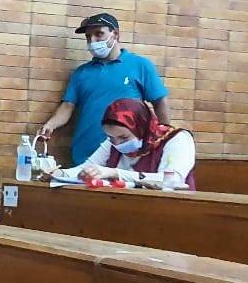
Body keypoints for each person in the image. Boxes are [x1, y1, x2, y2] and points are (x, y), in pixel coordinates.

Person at [38, 13, 172, 164]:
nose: (92, 41)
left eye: (99, 34)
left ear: (115, 34)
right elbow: (67, 106)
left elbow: (160, 102)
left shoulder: (140, 65)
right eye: (88, 37)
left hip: (125, 155)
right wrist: (50, 125)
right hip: (85, 154)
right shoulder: (81, 73)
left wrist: (165, 140)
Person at [46, 99, 196, 190]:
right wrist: (59, 174)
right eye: (111, 138)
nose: (117, 144)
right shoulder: (113, 142)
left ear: (141, 128)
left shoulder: (177, 139)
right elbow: (86, 169)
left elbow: (171, 180)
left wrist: (114, 173)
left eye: (123, 137)